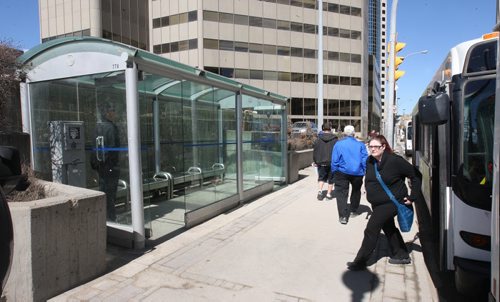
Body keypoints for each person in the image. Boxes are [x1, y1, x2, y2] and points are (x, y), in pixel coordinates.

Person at [347, 134, 421, 270]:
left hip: (391, 202)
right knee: (389, 228)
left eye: (376, 146)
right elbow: (369, 178)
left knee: (371, 229)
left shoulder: (395, 161)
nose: (373, 149)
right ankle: (402, 254)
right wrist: (366, 188)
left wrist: (413, 197)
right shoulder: (370, 161)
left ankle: (360, 261)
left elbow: (416, 175)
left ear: (383, 147)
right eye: (371, 146)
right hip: (377, 203)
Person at [331, 125, 368, 224]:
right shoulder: (361, 145)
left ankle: (343, 216)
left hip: (341, 171)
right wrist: (365, 171)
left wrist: (334, 171)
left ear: (344, 133)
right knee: (356, 191)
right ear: (354, 133)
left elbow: (334, 160)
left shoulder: (339, 144)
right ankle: (353, 210)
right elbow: (365, 159)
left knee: (341, 193)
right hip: (357, 172)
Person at [91, 101, 120, 221]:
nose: (115, 113)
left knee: (103, 191)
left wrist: (97, 165)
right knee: (110, 194)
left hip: (100, 166)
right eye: (113, 110)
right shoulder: (111, 128)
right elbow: (113, 149)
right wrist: (111, 165)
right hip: (110, 167)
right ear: (108, 113)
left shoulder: (98, 127)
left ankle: (104, 218)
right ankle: (111, 218)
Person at [313, 122, 338, 200]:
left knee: (321, 177)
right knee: (331, 178)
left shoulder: (318, 139)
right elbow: (337, 151)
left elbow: (315, 151)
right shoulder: (335, 139)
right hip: (332, 162)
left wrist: (315, 161)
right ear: (330, 129)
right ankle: (328, 194)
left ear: (322, 128)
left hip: (321, 162)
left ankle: (320, 192)